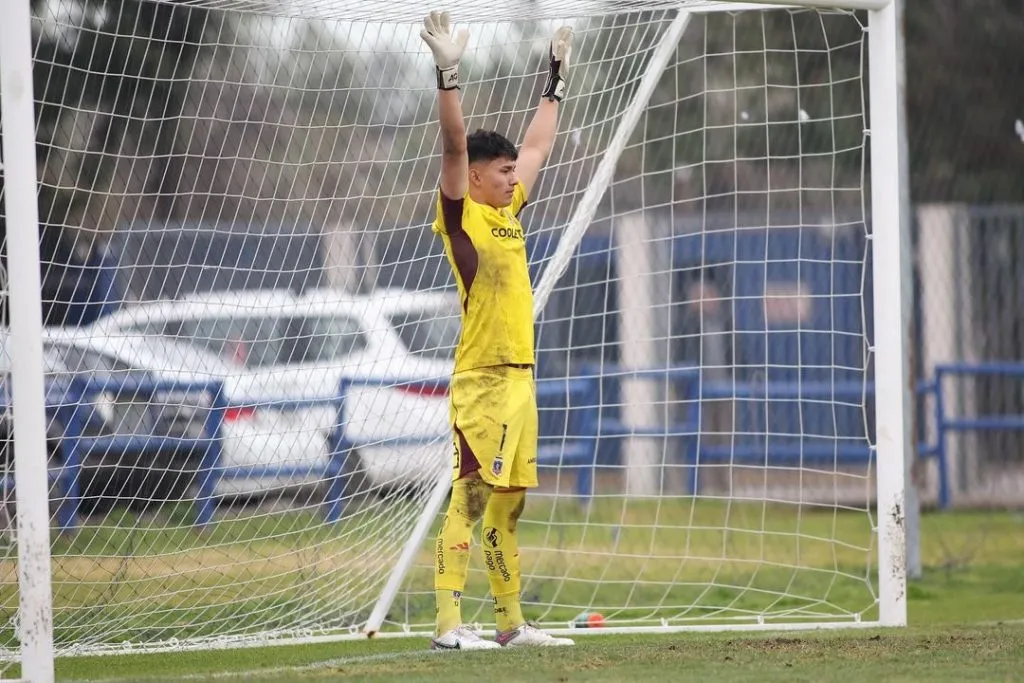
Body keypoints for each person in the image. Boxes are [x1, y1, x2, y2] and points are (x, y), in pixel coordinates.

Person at [420, 10, 575, 650]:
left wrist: (555, 86)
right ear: (478, 176)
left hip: (520, 382)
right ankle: (449, 626)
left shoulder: (508, 208)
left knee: (509, 505)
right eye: (503, 170)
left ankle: (510, 624)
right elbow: (454, 145)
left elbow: (538, 147)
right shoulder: (462, 218)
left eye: (513, 171)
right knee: (473, 494)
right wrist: (448, 74)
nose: (515, 176)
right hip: (481, 383)